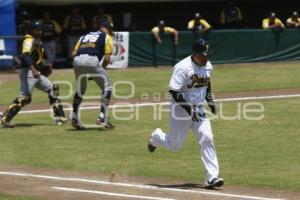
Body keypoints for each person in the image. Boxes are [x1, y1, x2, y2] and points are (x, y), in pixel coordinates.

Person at [147, 39, 224, 189]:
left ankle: (211, 177)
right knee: (175, 146)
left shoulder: (207, 65)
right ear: (195, 54)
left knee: (207, 137)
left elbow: (206, 82)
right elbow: (174, 91)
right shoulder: (182, 68)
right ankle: (157, 136)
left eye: (207, 55)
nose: (206, 58)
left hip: (199, 109)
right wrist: (189, 109)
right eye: (203, 55)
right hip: (180, 110)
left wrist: (210, 100)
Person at [0, 21, 67, 128]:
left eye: (40, 29)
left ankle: (60, 117)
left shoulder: (37, 40)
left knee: (52, 89)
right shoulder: (28, 40)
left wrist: (46, 66)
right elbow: (25, 56)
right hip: (29, 71)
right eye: (37, 29)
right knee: (25, 97)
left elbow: (39, 57)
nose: (40, 31)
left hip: (35, 72)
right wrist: (34, 70)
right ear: (31, 30)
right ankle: (5, 118)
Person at [71, 22, 114, 130]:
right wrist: (97, 71)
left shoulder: (83, 36)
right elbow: (107, 59)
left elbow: (73, 54)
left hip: (77, 60)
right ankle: (102, 116)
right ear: (103, 28)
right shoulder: (106, 37)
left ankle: (74, 117)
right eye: (109, 29)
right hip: (92, 60)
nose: (110, 31)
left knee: (81, 90)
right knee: (107, 87)